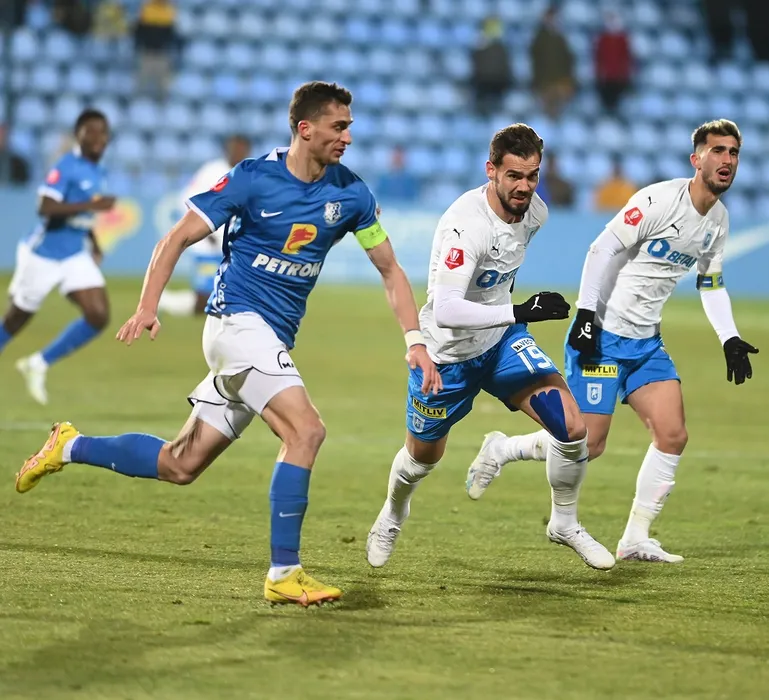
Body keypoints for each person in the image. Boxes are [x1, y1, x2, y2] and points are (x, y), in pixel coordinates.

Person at [15, 82, 443, 607]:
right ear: (305, 129)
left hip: (266, 339)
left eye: (349, 127)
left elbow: (390, 269)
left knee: (180, 463)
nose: (348, 137)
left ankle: (68, 445)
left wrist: (414, 340)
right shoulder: (252, 179)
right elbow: (175, 238)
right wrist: (147, 305)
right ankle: (284, 572)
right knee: (306, 431)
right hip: (235, 326)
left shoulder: (351, 194)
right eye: (339, 126)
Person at [465, 119, 760, 565]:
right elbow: (601, 249)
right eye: (717, 150)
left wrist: (730, 337)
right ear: (696, 159)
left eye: (734, 152)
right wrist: (586, 314)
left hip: (646, 344)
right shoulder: (658, 201)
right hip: (602, 337)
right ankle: (504, 448)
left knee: (673, 435)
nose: (727, 160)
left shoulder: (718, 221)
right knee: (589, 445)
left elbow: (711, 282)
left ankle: (635, 538)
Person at [366, 123, 616, 572]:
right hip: (446, 358)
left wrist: (513, 315)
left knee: (572, 427)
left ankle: (564, 523)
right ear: (491, 170)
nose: (524, 187)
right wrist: (520, 310)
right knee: (421, 460)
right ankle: (393, 513)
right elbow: (446, 309)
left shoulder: (535, 213)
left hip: (501, 343)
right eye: (514, 176)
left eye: (532, 176)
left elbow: (503, 275)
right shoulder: (467, 227)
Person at [1, 109, 116, 405]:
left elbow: (84, 214)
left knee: (98, 315)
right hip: (43, 253)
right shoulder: (66, 166)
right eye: (91, 131)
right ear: (78, 135)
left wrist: (94, 243)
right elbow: (46, 207)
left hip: (74, 253)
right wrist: (92, 205)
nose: (98, 137)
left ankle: (38, 363)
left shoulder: (99, 171)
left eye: (102, 132)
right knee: (16, 319)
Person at [159, 134, 253, 316]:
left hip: (232, 245)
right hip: (207, 244)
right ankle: (166, 301)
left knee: (228, 297)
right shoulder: (212, 171)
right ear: (227, 150)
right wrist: (204, 231)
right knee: (205, 300)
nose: (238, 152)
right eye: (235, 148)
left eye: (242, 149)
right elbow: (186, 198)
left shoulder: (249, 172)